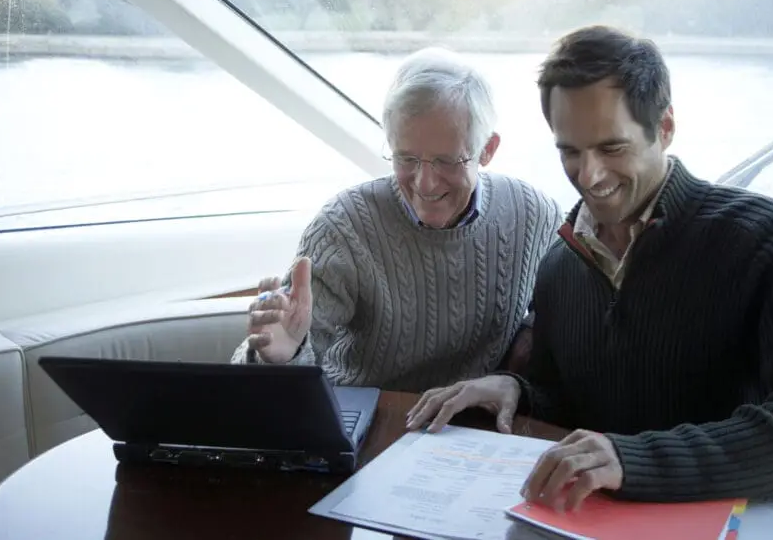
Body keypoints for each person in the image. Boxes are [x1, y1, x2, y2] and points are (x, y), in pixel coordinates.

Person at [406, 25, 773, 508]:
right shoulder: (559, 267)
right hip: (594, 521)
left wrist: (632, 460)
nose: (588, 176)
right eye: (569, 151)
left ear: (665, 127)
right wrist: (515, 390)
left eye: (611, 148)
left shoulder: (764, 238)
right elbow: (567, 400)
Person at [230, 47, 561, 393]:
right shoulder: (344, 227)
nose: (425, 183)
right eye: (407, 159)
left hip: (476, 426)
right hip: (365, 423)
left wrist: (530, 333)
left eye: (447, 161)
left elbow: (572, 320)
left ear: (487, 150)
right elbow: (264, 383)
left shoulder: (534, 214)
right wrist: (279, 358)